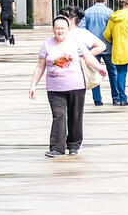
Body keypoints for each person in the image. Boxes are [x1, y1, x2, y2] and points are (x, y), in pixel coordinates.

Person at [28, 15, 106, 157]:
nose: (59, 31)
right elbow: (40, 67)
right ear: (53, 29)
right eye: (57, 28)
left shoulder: (76, 42)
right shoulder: (46, 45)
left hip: (76, 85)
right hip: (55, 88)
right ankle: (57, 148)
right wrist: (33, 85)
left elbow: (88, 57)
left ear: (68, 29)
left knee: (75, 115)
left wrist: (99, 68)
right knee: (58, 115)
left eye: (62, 28)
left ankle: (74, 145)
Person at [79, 0, 112, 105]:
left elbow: (82, 29)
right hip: (107, 46)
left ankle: (97, 99)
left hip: (92, 48)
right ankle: (116, 97)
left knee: (94, 71)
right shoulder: (110, 13)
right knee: (112, 72)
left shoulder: (87, 13)